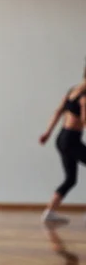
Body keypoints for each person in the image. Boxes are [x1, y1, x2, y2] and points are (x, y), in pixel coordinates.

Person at [39, 59, 86, 224]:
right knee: (70, 178)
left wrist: (47, 133)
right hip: (71, 139)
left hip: (62, 138)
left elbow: (58, 111)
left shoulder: (73, 90)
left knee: (70, 179)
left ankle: (49, 212)